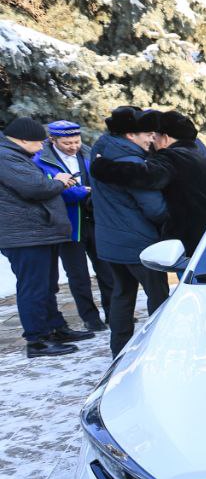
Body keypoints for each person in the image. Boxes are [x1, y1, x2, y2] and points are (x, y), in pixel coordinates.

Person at [0, 117, 91, 357]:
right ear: (21, 140)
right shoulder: (6, 156)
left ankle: (55, 328)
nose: (42, 147)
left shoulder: (17, 155)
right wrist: (59, 182)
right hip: (26, 235)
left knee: (46, 285)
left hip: (38, 233)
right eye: (38, 143)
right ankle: (37, 341)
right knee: (34, 287)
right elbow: (35, 188)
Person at [88, 106, 170, 357]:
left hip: (110, 242)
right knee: (159, 298)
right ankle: (159, 349)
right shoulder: (132, 163)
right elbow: (155, 209)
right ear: (130, 135)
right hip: (140, 243)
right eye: (146, 133)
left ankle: (119, 351)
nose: (151, 139)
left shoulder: (100, 151)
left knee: (121, 296)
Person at [90, 111, 206, 256]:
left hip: (190, 239)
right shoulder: (199, 157)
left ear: (165, 138)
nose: (153, 141)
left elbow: (144, 175)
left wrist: (102, 166)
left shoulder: (173, 156)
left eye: (156, 136)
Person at [36, 120, 110, 331]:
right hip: (68, 224)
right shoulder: (41, 160)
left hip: (95, 220)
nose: (73, 146)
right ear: (53, 140)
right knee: (78, 275)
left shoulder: (89, 153)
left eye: (76, 141)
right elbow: (51, 189)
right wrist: (82, 191)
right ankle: (90, 317)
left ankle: (113, 312)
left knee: (106, 269)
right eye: (67, 142)